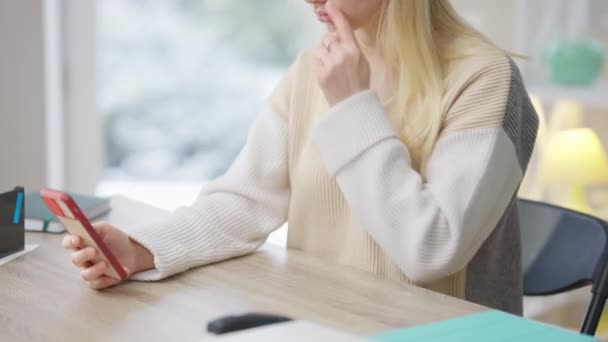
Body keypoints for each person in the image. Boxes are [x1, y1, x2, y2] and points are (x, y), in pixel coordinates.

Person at [63, 0, 538, 314]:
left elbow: (431, 249)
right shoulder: (317, 69)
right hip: (319, 322)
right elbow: (244, 202)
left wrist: (353, 107)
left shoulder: (486, 79)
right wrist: (144, 248)